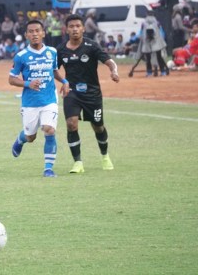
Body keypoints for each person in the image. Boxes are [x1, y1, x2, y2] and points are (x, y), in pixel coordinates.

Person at [56, 14, 120, 174]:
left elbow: (109, 61)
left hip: (92, 94)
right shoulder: (61, 50)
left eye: (78, 26)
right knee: (71, 124)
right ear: (66, 29)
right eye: (71, 26)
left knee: (98, 127)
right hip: (72, 92)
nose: (75, 29)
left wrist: (114, 71)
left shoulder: (92, 46)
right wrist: (63, 82)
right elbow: (53, 69)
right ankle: (78, 162)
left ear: (83, 28)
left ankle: (105, 156)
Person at [10, 19, 69, 177]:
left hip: (49, 99)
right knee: (31, 136)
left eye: (37, 31)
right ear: (26, 35)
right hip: (30, 102)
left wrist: (64, 81)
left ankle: (48, 169)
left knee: (49, 130)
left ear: (43, 33)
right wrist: (28, 83)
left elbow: (54, 71)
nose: (35, 34)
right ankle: (21, 139)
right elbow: (12, 79)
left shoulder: (52, 52)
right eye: (31, 31)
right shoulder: (21, 56)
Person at [138, 10, 169, 77]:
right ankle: (163, 71)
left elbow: (140, 33)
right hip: (156, 41)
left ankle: (149, 73)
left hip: (147, 42)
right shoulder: (157, 23)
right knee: (159, 57)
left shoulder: (143, 23)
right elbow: (162, 33)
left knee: (148, 58)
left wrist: (140, 38)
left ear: (146, 14)